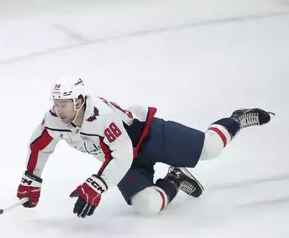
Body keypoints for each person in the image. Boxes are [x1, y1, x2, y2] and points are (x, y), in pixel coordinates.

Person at [16, 76, 274, 218]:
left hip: (145, 137)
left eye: (65, 103)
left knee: (211, 148)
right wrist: (32, 178)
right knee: (148, 206)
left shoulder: (101, 115)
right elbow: (39, 146)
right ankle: (175, 178)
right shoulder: (53, 118)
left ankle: (237, 118)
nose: (58, 109)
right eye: (56, 103)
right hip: (121, 161)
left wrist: (98, 184)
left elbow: (123, 152)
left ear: (80, 101)